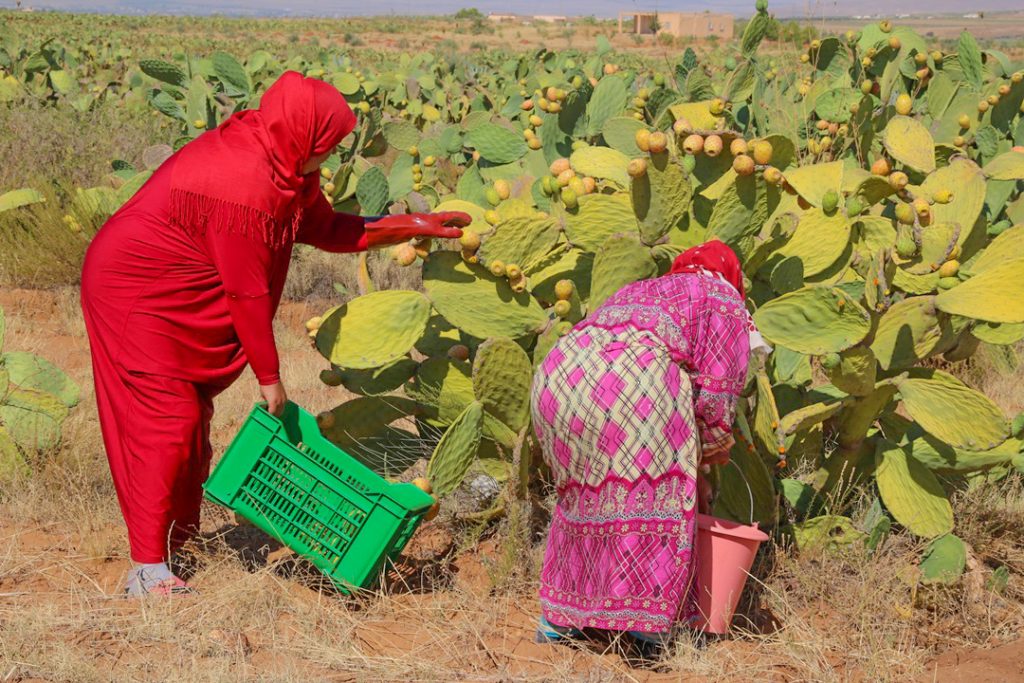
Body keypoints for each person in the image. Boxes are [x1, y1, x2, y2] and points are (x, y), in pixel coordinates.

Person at [81, 71, 468, 596]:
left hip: (173, 285)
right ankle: (147, 569)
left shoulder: (284, 165)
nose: (327, 158)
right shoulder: (243, 184)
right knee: (166, 419)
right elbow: (246, 293)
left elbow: (330, 229)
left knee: (191, 415)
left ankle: (179, 543)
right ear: (301, 135)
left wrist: (417, 226)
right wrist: (270, 378)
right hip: (134, 290)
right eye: (324, 146)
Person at [530, 240, 770, 655]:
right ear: (732, 276)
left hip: (558, 378)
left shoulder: (642, 289)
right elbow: (716, 393)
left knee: (583, 502)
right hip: (633, 380)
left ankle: (558, 622)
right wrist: (712, 451)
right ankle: (646, 632)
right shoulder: (723, 297)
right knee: (656, 498)